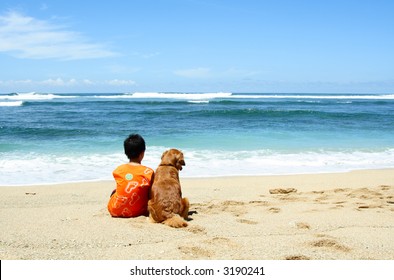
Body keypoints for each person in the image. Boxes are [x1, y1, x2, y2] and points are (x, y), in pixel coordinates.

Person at [108, 134, 154, 218]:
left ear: (126, 152)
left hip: (115, 210)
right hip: (139, 211)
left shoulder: (119, 169)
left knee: (115, 191)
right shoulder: (148, 172)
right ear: (142, 153)